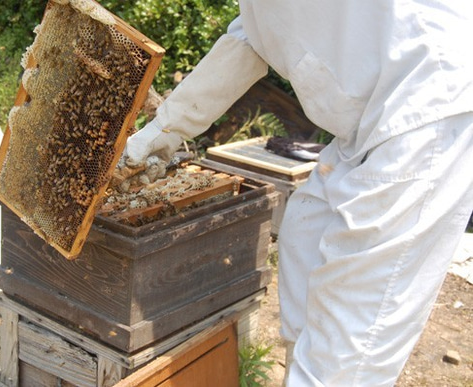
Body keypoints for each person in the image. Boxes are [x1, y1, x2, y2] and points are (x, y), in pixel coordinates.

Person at [120, 1, 473, 386]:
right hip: (363, 125)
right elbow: (252, 35)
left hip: (426, 108)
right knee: (304, 239)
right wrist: (163, 131)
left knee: (351, 343)